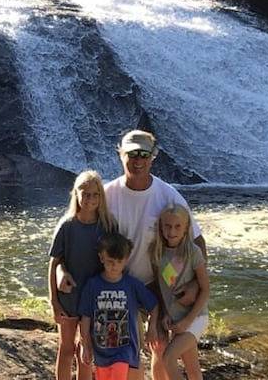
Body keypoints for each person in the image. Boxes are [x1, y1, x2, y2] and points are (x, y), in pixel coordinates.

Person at [62, 129, 206, 380]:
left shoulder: (168, 195)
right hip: (115, 285)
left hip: (155, 288)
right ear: (121, 155)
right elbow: (74, 227)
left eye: (143, 154)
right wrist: (60, 269)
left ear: (153, 157)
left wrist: (194, 283)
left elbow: (197, 241)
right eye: (131, 154)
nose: (137, 160)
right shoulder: (107, 195)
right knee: (105, 350)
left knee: (159, 348)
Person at [49, 170, 117, 380]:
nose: (90, 199)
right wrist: (54, 301)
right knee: (67, 348)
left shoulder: (107, 226)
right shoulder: (67, 225)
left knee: (86, 350)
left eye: (95, 194)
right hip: (69, 297)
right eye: (85, 194)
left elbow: (116, 262)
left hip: (95, 299)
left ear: (101, 197)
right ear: (76, 195)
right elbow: (54, 263)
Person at [79, 232, 160, 380]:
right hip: (101, 351)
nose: (114, 266)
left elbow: (153, 305)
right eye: (110, 261)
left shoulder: (132, 284)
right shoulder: (92, 285)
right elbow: (85, 317)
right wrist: (84, 343)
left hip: (125, 350)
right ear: (101, 257)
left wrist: (152, 327)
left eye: (119, 261)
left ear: (126, 259)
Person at [151, 204, 209, 380]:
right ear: (161, 227)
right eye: (167, 226)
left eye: (177, 226)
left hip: (195, 318)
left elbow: (205, 289)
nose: (172, 231)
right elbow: (161, 289)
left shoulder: (193, 252)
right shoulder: (156, 253)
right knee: (192, 369)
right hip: (175, 319)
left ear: (185, 229)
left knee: (168, 357)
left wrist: (187, 321)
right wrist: (165, 314)